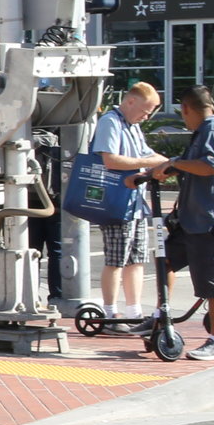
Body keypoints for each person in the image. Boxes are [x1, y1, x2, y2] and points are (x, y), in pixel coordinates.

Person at [124, 83, 214, 360]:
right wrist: (153, 173)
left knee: (212, 285)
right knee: (164, 260)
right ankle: (159, 315)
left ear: (186, 109)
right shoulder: (202, 132)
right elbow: (186, 165)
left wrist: (176, 164)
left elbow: (210, 166)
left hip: (212, 224)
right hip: (192, 223)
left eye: (183, 114)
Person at [89, 81, 162, 319]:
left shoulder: (132, 126)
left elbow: (145, 153)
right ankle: (110, 312)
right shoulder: (110, 122)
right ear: (130, 101)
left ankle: (134, 310)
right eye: (145, 110)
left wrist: (170, 162)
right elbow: (110, 160)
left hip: (136, 203)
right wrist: (152, 163)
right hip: (117, 201)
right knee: (116, 258)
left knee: (136, 258)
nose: (146, 117)